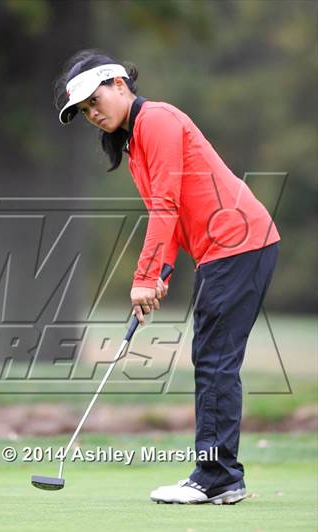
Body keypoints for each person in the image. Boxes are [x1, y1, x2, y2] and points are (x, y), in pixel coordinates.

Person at [54, 49, 280, 505]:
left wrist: (143, 276)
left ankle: (218, 477)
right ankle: (217, 473)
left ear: (120, 84)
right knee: (211, 357)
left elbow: (165, 206)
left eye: (94, 101)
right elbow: (171, 213)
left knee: (214, 359)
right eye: (84, 112)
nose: (92, 115)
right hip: (226, 248)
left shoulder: (155, 120)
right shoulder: (136, 140)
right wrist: (160, 274)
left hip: (238, 244)